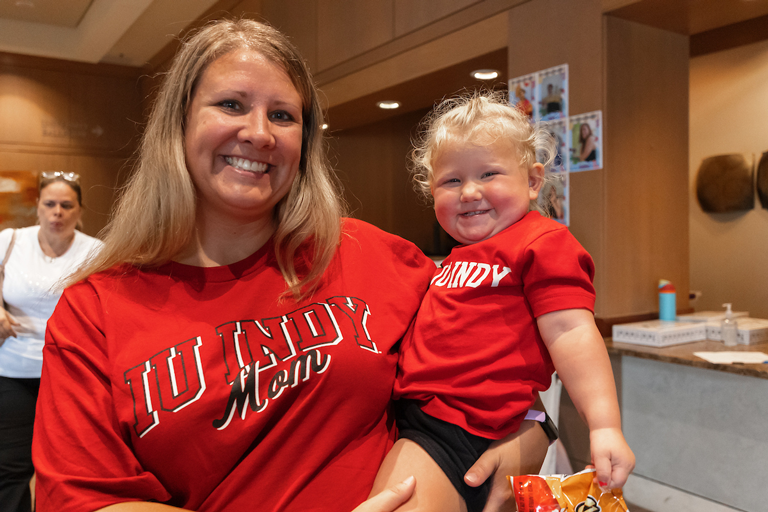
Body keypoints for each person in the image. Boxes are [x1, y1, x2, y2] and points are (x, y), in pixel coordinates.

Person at [31, 19, 550, 512]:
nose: (259, 133)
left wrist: (529, 440)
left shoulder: (372, 254)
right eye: (232, 104)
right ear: (178, 124)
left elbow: (495, 371)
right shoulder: (93, 311)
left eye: (283, 115)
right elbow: (81, 498)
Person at [370, 91, 635, 512]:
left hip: (462, 425)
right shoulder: (456, 258)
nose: (470, 191)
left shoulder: (542, 242)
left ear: (532, 181)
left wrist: (603, 426)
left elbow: (571, 332)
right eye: (451, 181)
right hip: (419, 413)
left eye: (489, 174)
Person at [0, 171, 102, 512]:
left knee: (67, 469)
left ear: (79, 211)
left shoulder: (97, 252)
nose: (57, 212)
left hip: (70, 374)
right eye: (50, 204)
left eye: (66, 205)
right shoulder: (10, 240)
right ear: (38, 208)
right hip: (11, 368)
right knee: (9, 468)